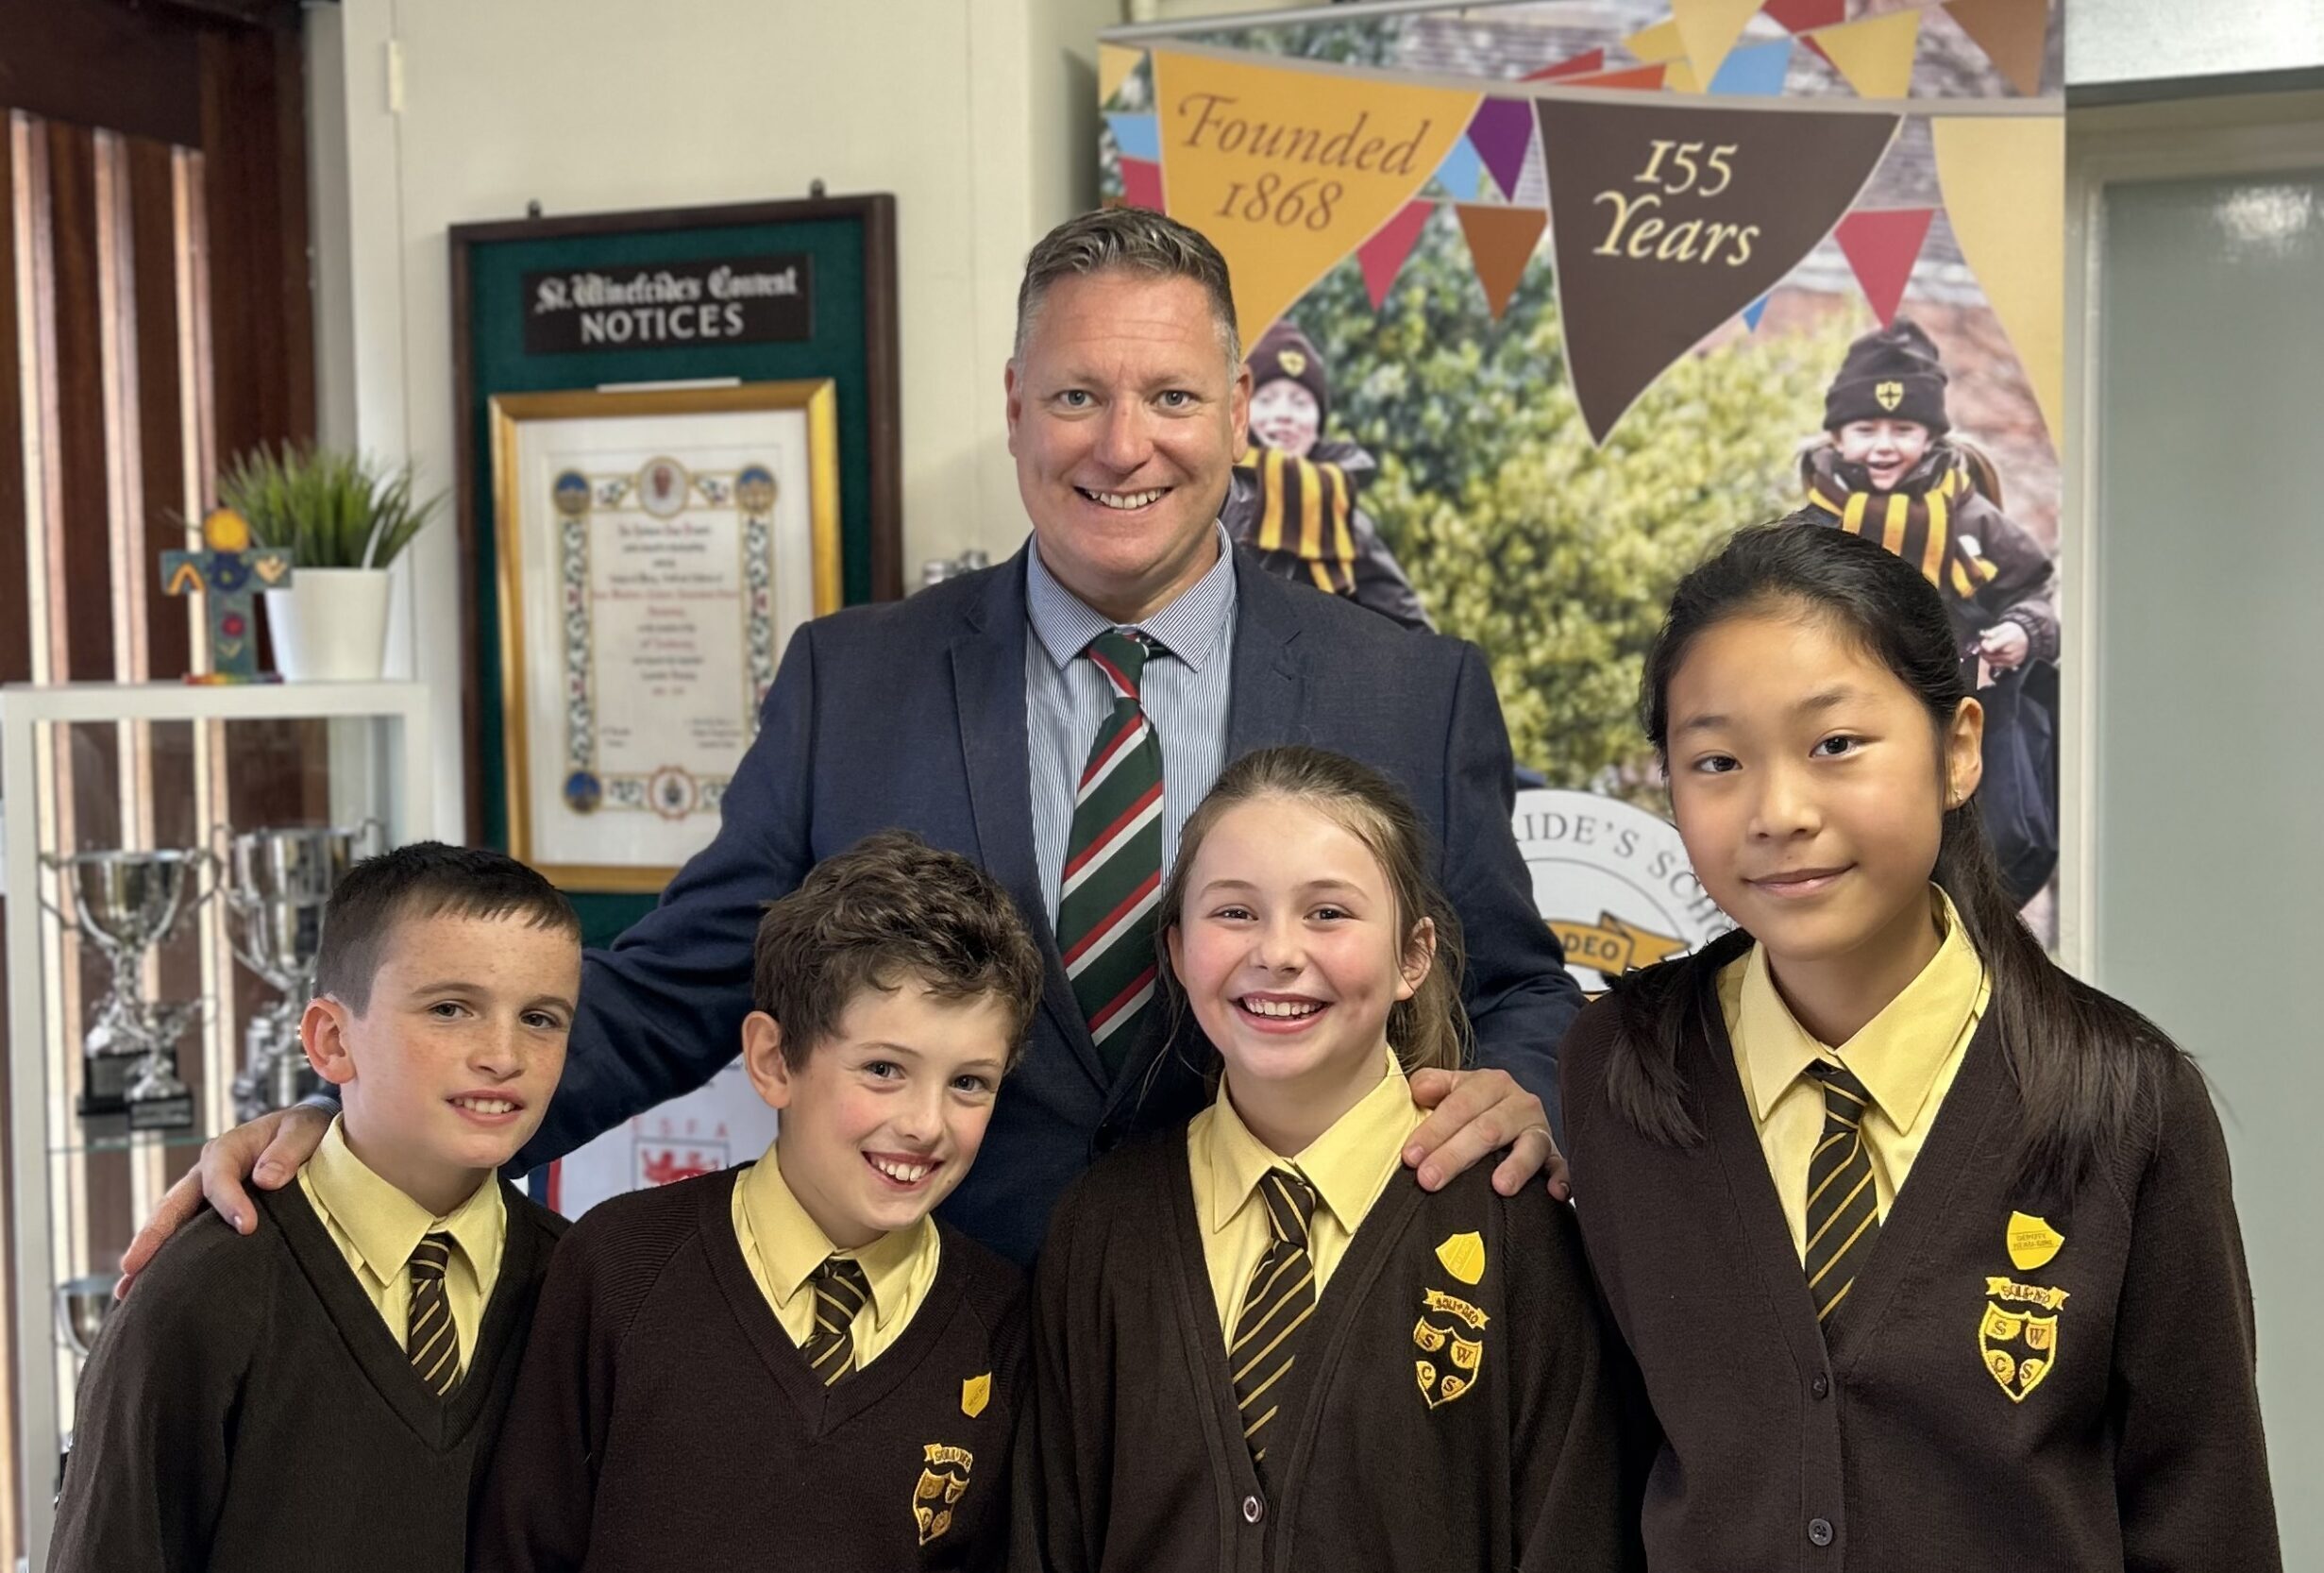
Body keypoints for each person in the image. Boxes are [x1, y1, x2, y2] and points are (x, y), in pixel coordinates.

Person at [121, 207, 1579, 1279]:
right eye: (1076, 394)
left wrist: (1529, 1091)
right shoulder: (852, 681)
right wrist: (359, 1126)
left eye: (1171, 397)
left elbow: (1518, 988)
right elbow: (675, 987)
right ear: (1014, 408)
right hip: (933, 1346)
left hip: (1293, 1348)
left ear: (1237, 418)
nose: (1121, 443)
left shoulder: (1411, 690)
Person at [1558, 525, 2279, 1569]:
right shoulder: (1620, 1067)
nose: (1778, 812)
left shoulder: (2123, 1102)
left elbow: (2204, 1514)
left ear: (1958, 749)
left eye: (1835, 745)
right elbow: (1599, 1469)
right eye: (1716, 761)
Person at [1015, 747, 1636, 1571]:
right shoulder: (1101, 1229)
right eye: (1235, 912)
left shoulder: (1517, 1222)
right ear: (1177, 951)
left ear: (1412, 955)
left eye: (1328, 913)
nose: (1277, 951)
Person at [473, 833, 1043, 1570]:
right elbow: (520, 1548)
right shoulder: (616, 1267)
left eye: (969, 1083)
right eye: (883, 1069)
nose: (926, 1124)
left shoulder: (1001, 1322)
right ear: (773, 1061)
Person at [49, 844, 581, 1573]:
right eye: (450, 1009)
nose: (503, 1054)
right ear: (331, 1042)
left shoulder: (581, 1288)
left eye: (541, 1019)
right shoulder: (202, 1296)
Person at [1798, 317, 2062, 905]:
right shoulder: (1815, 524)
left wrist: (2021, 631)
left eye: (1903, 428)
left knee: (1955, 859)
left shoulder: (1970, 519)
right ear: (1837, 438)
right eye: (1865, 429)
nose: (1884, 445)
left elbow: (2033, 592)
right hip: (1844, 727)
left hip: (1955, 723)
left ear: (1931, 436)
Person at [1221, 320, 1433, 631]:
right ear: (1239, 414)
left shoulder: (1337, 508)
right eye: (1267, 400)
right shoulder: (1214, 492)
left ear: (1318, 420)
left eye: (1300, 402)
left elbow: (1410, 629)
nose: (1285, 415)